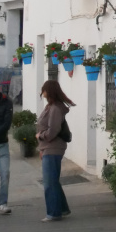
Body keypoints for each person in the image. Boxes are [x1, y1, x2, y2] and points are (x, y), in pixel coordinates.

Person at [36, 80, 74, 221]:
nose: (42, 92)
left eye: (44, 89)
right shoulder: (50, 107)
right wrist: (41, 148)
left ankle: (53, 213)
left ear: (49, 91)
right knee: (53, 181)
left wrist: (40, 136)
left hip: (54, 147)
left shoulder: (55, 109)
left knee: (49, 182)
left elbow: (53, 130)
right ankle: (62, 208)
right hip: (48, 147)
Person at [0, 84, 13, 215]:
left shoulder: (7, 101)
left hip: (2, 144)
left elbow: (7, 123)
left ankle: (3, 203)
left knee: (5, 173)